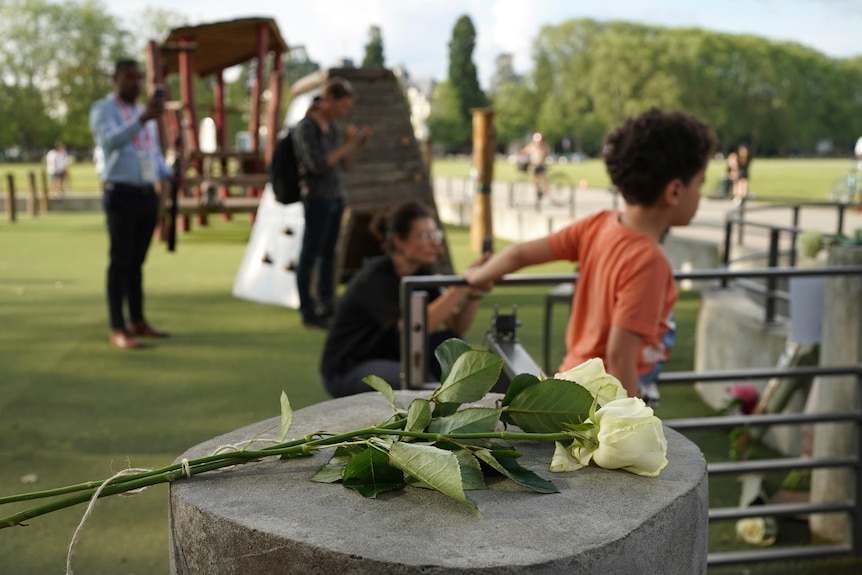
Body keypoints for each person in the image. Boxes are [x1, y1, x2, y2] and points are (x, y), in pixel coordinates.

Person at [464, 108, 716, 405]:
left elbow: (520, 253)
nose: (700, 194)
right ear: (674, 191)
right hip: (602, 403)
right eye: (700, 184)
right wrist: (630, 424)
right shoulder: (649, 261)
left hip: (572, 387)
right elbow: (621, 356)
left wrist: (479, 276)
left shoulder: (599, 224)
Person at [320, 200, 487, 398]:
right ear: (399, 240)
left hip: (391, 357)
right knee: (420, 388)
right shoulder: (375, 278)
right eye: (425, 236)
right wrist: (461, 286)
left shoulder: (421, 273)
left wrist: (474, 292)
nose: (434, 242)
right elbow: (411, 329)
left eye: (435, 234)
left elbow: (457, 325)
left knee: (453, 342)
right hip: (350, 368)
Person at [89, 59, 172, 349]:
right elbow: (108, 142)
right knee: (120, 261)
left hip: (146, 194)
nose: (135, 82)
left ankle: (137, 319)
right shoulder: (104, 110)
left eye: (139, 77)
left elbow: (150, 153)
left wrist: (169, 171)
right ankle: (117, 326)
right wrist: (142, 120)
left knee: (137, 263)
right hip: (120, 194)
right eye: (129, 77)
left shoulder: (142, 112)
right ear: (116, 79)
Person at [292, 77, 372, 329]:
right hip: (317, 198)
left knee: (328, 255)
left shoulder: (332, 128)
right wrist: (348, 143)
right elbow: (318, 165)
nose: (344, 112)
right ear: (328, 100)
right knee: (310, 254)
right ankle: (307, 308)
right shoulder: (306, 128)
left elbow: (342, 164)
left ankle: (327, 304)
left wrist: (357, 145)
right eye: (342, 106)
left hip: (336, 197)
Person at [519, 132, 551, 209]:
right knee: (535, 182)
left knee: (544, 181)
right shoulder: (532, 146)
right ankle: (536, 196)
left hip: (541, 166)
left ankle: (547, 196)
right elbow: (523, 151)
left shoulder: (544, 147)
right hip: (534, 167)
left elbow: (546, 155)